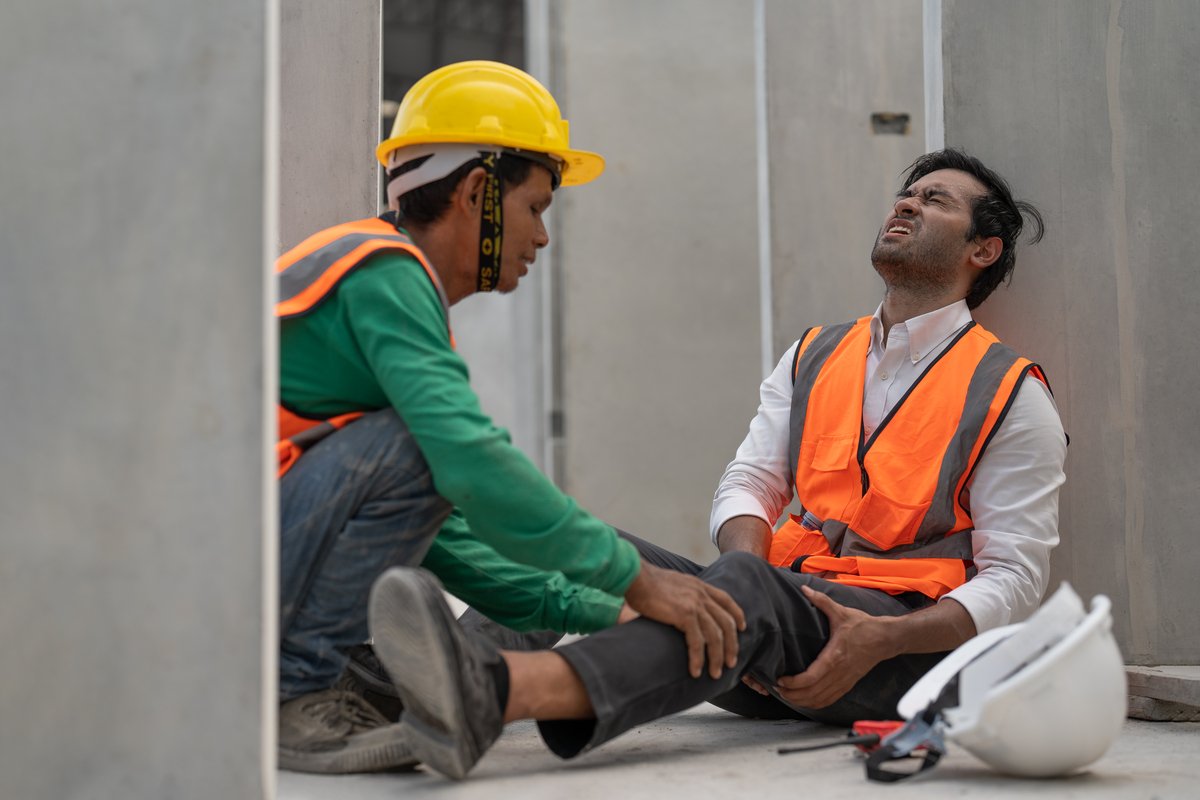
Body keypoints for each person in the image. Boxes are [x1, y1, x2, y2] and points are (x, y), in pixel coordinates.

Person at [365, 148, 1068, 780]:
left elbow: (1014, 577)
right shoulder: (815, 354)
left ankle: (490, 692)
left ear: (983, 249)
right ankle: (398, 694)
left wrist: (884, 637)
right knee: (592, 553)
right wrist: (753, 575)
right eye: (907, 194)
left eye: (936, 199)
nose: (906, 203)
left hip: (897, 653)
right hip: (777, 623)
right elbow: (748, 485)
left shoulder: (1011, 392)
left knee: (743, 594)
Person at [275, 60, 744, 774]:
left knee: (430, 470)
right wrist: (636, 579)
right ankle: (298, 688)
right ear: (475, 193)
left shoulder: (390, 287)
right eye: (535, 208)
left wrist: (600, 610)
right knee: (429, 450)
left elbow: (451, 541)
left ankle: (333, 678)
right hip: (222, 567)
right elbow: (471, 467)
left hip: (245, 560)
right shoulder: (382, 274)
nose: (543, 238)